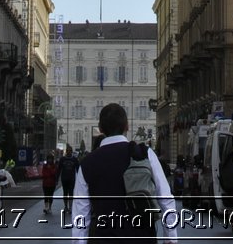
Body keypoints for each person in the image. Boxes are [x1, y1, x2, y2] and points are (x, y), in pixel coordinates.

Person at [71, 102, 179, 241]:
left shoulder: (87, 163)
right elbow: (165, 198)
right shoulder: (144, 154)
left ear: (100, 128)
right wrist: (171, 238)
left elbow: (80, 214)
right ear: (127, 126)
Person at [60, 146, 81, 211]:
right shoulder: (62, 159)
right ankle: (66, 206)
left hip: (72, 179)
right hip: (64, 179)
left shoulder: (74, 159)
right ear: (66, 151)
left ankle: (71, 207)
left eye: (70, 151)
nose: (69, 152)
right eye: (68, 151)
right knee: (65, 193)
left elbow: (78, 169)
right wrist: (56, 178)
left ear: (71, 151)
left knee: (71, 193)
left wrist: (80, 179)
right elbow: (59, 169)